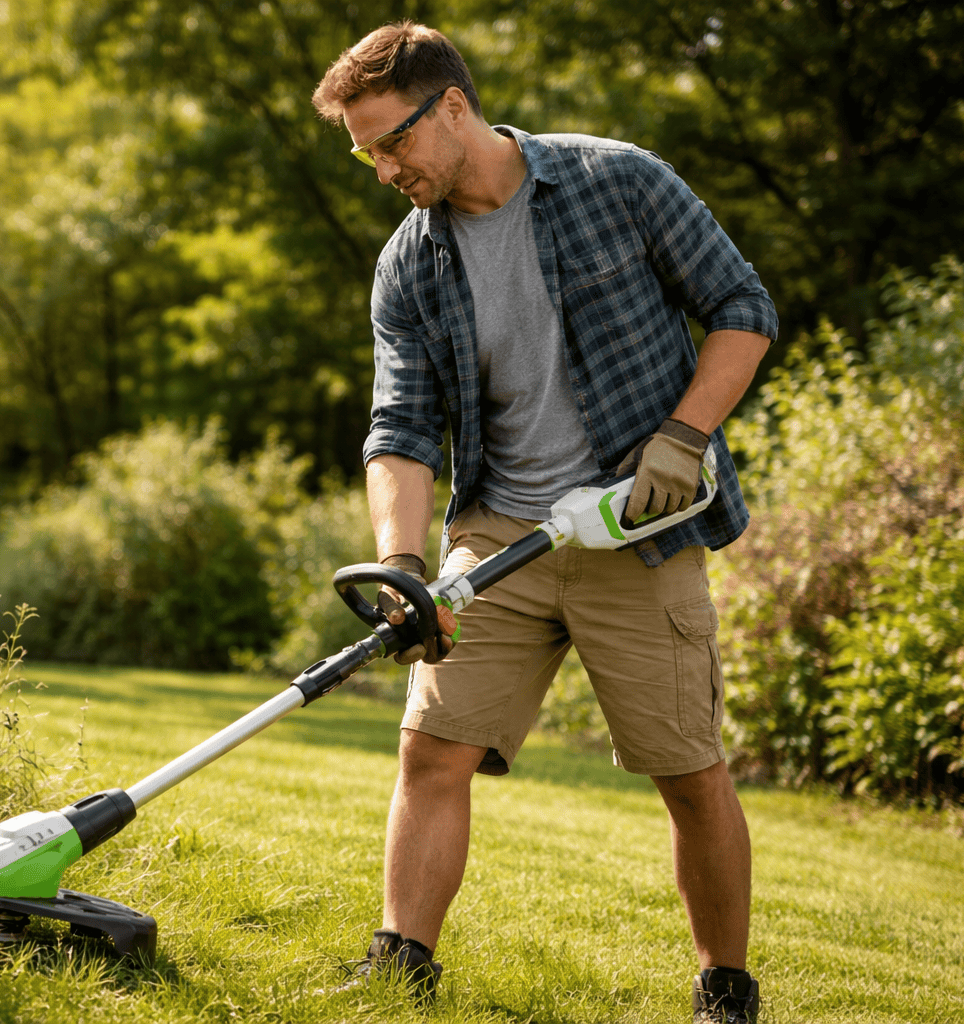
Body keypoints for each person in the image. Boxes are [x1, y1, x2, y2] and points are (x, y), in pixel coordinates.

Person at [309, 21, 776, 1024]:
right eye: (364, 153)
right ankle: (401, 966)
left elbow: (743, 307)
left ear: (453, 106)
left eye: (392, 141)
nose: (382, 169)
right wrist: (402, 565)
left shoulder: (619, 181)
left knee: (687, 769)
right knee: (432, 747)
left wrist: (684, 435)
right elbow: (401, 427)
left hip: (636, 526)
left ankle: (725, 989)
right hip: (498, 536)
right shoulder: (409, 264)